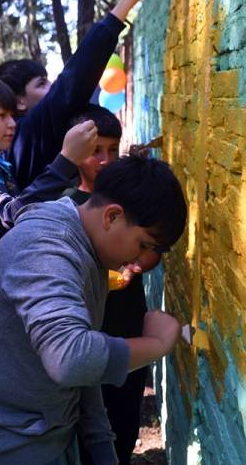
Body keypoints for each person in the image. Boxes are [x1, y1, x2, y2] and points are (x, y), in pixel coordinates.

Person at [0, 155, 188, 464]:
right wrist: (157, 345)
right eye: (144, 244)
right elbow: (71, 359)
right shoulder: (48, 250)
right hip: (5, 437)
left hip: (39, 424)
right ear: (112, 216)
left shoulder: (87, 246)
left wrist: (103, 451)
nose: (141, 260)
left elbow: (82, 373)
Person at [0, 76, 98, 340]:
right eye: (1, 115)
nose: (12, 124)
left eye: (13, 115)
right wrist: (66, 160)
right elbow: (9, 217)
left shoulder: (2, 166)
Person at [0, 0, 158, 190]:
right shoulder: (30, 133)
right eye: (41, 84)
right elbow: (73, 81)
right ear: (19, 101)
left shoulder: (10, 146)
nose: (51, 87)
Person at [63, 105, 157, 464]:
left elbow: (154, 250)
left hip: (126, 318)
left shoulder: (129, 199)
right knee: (91, 412)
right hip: (90, 327)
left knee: (125, 411)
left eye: (112, 150)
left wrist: (133, 265)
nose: (104, 160)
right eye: (95, 150)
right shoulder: (68, 206)